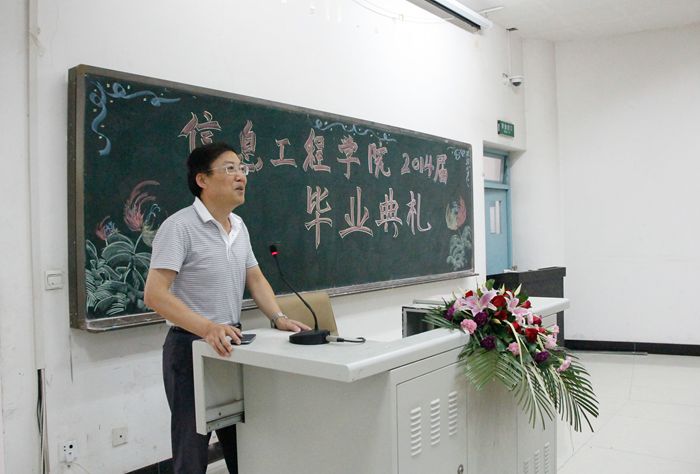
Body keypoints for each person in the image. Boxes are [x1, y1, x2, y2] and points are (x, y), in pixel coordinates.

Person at [144, 142, 310, 474]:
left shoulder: (239, 226)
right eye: (230, 168)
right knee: (191, 450)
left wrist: (277, 317)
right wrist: (207, 328)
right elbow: (155, 295)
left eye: (242, 169)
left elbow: (255, 278)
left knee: (244, 446)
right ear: (202, 179)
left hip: (233, 343)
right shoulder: (179, 227)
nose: (241, 176)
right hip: (190, 346)